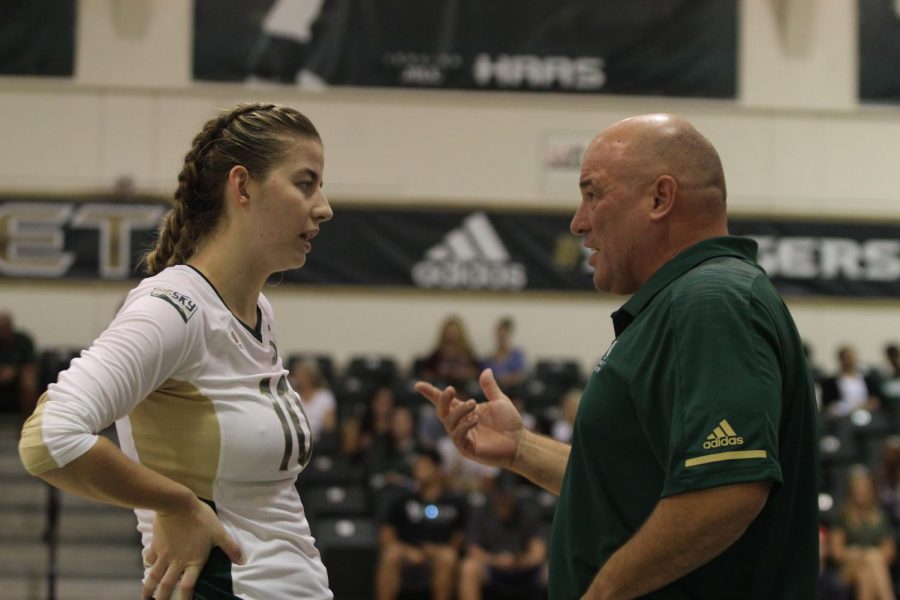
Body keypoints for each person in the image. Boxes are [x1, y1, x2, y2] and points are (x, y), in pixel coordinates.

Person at [416, 114, 819, 598]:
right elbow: (635, 488)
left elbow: (725, 490)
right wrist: (523, 448)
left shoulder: (711, 301)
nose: (578, 221)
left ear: (659, 198)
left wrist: (601, 593)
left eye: (592, 193)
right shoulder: (686, 302)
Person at [18, 103, 334, 600]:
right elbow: (49, 438)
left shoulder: (258, 312)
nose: (323, 207)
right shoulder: (173, 307)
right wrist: (175, 503)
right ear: (243, 186)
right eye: (306, 183)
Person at [375, 446, 467, 600]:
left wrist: (437, 550)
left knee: (448, 557)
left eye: (424, 465)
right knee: (391, 554)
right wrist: (408, 551)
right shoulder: (403, 500)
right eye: (417, 465)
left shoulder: (454, 502)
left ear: (438, 470)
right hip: (408, 552)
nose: (418, 469)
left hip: (439, 552)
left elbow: (459, 537)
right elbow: (386, 536)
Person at [459, 473, 547, 600]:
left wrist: (522, 561)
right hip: (492, 567)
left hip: (523, 568)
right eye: (503, 494)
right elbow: (473, 550)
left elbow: (538, 551)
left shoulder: (527, 512)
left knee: (553, 571)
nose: (506, 499)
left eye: (510, 495)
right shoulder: (481, 512)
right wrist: (497, 560)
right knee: (469, 568)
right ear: (495, 493)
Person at [830, 466, 896, 600]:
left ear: (871, 491)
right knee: (872, 558)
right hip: (847, 569)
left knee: (866, 573)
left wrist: (867, 555)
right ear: (850, 491)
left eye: (863, 489)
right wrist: (860, 554)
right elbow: (837, 553)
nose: (859, 492)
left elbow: (889, 552)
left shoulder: (880, 518)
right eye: (856, 489)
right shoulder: (842, 517)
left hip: (870, 568)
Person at [420, 315, 481, 389]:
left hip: (464, 387)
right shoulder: (438, 353)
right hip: (442, 386)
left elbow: (476, 372)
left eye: (454, 332)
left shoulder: (467, 352)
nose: (452, 335)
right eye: (449, 332)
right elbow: (427, 372)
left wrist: (465, 373)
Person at [821, 345, 882, 417]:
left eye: (851, 357)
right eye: (846, 358)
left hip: (867, 414)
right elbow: (829, 404)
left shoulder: (868, 379)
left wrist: (867, 404)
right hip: (843, 416)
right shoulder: (831, 382)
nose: (849, 361)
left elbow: (875, 398)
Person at [0, 311, 38, 421]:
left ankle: (27, 422)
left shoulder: (23, 341)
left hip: (17, 381)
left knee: (29, 380)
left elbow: (31, 365)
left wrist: (14, 372)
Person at [288, 358, 337, 440]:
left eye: (303, 375)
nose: (299, 378)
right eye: (296, 375)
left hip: (319, 441)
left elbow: (329, 426)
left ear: (311, 376)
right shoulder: (290, 397)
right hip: (297, 439)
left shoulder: (324, 396)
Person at [482, 317, 526, 389]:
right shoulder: (489, 358)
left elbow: (521, 375)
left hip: (513, 391)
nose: (501, 339)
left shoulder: (517, 355)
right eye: (500, 335)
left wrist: (508, 379)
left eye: (504, 336)